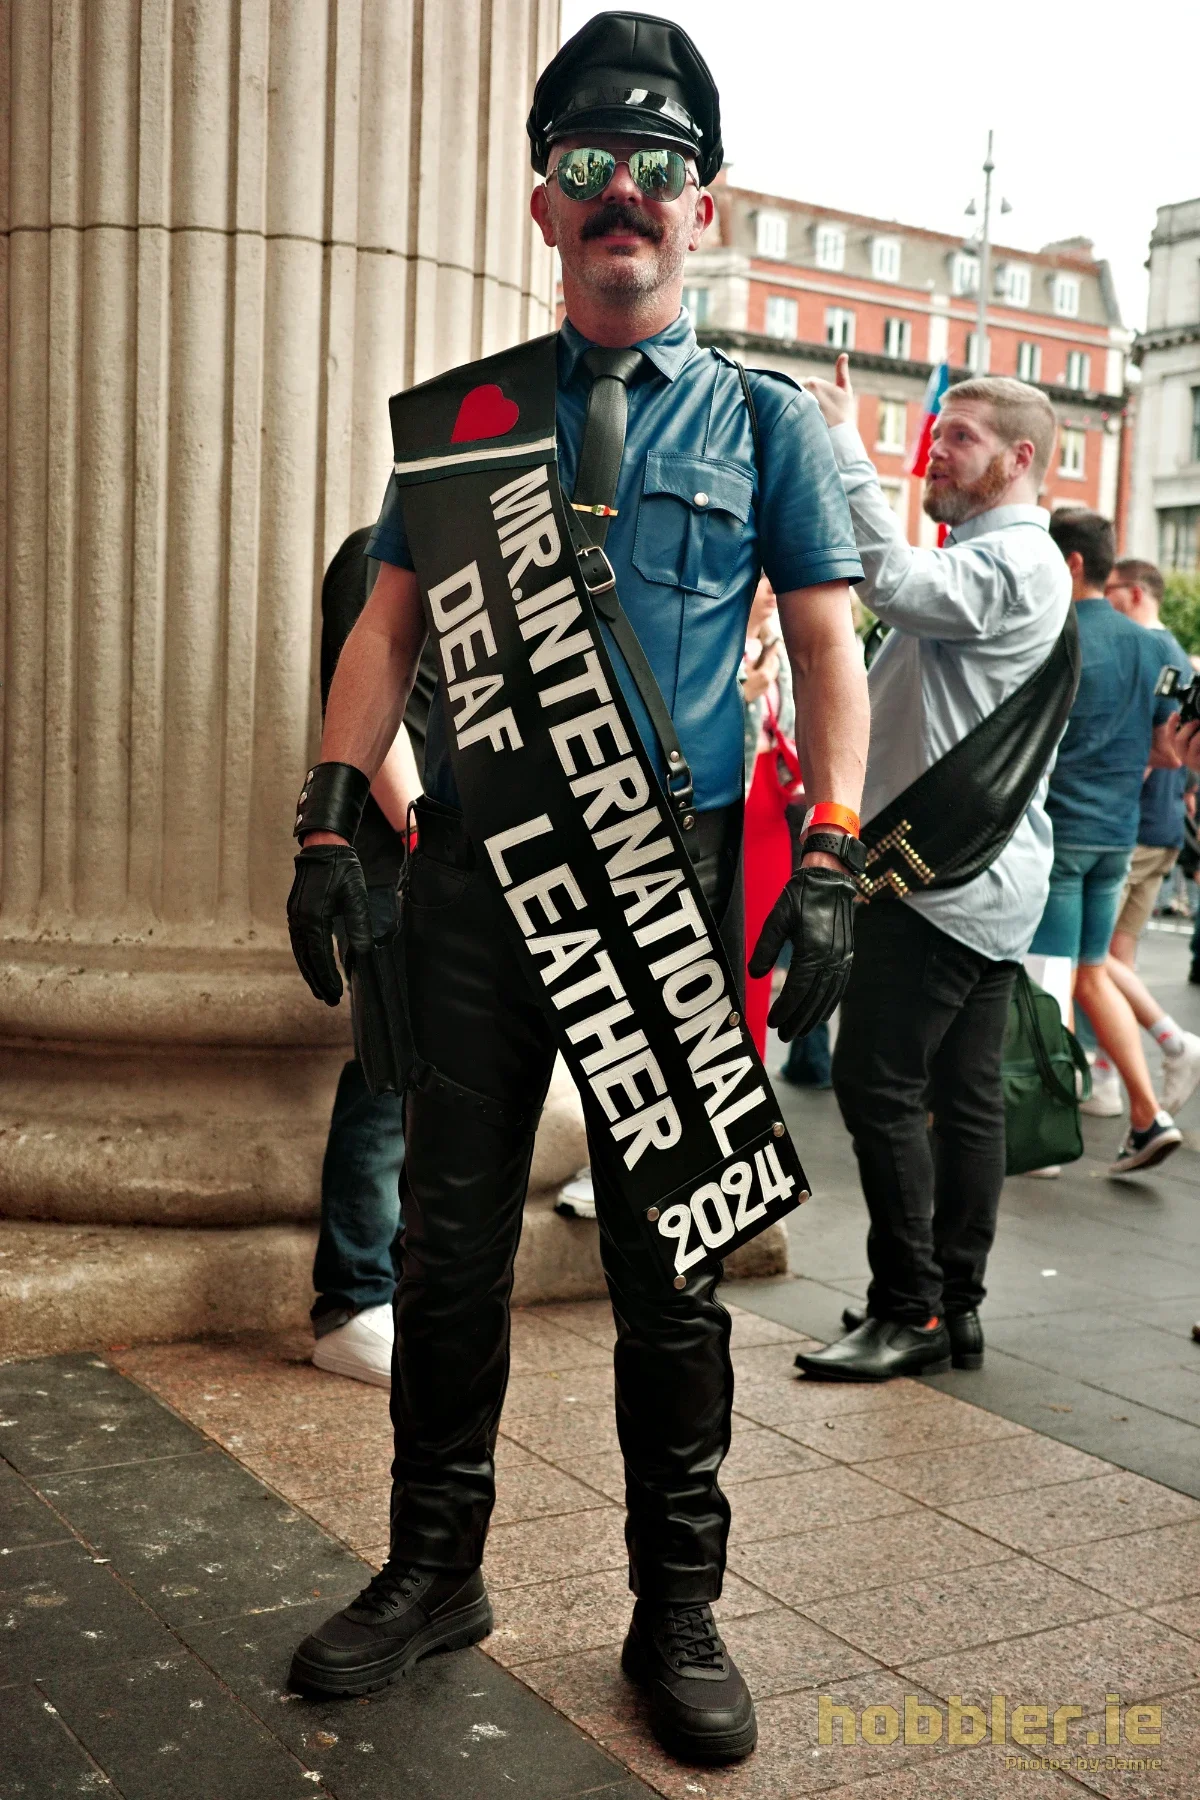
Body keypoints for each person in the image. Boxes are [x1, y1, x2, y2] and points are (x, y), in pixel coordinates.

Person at [282, 12, 868, 1766]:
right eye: (590, 167)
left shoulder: (767, 423)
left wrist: (835, 846)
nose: (626, 196)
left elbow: (826, 646)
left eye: (658, 168)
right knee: (450, 1243)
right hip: (476, 881)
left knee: (674, 1262)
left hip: (658, 884)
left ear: (704, 206)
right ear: (545, 203)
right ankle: (431, 1571)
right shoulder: (466, 423)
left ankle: (677, 1606)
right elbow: (388, 628)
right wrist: (330, 820)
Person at [795, 362, 1072, 1383]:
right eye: (936, 433)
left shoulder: (1016, 561)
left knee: (877, 1085)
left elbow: (895, 583)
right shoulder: (1004, 561)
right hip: (975, 883)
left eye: (960, 436)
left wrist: (842, 441)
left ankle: (908, 1306)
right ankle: (953, 1305)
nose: (935, 452)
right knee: (964, 1101)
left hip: (938, 886)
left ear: (1020, 458)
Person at [308, 532, 437, 1387]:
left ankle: (379, 1289)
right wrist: (426, 836)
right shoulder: (375, 559)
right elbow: (371, 704)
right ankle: (353, 1301)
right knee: (385, 1077)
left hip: (440, 865)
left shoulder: (459, 555)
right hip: (399, 864)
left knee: (415, 1082)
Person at [1027, 513, 1183, 1173]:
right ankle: (1148, 1116)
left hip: (1059, 830)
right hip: (1117, 833)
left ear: (1071, 564)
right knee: (1092, 973)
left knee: (1050, 979)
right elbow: (1174, 747)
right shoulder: (1149, 646)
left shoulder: (1055, 633)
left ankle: (1045, 1133)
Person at [1076, 558, 1200, 1121]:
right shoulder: (1170, 653)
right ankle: (1106, 1075)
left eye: (1111, 590)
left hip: (1135, 825)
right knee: (1112, 957)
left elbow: (1165, 750)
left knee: (1092, 959)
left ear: (1132, 593)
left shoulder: (1146, 650)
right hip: (1158, 826)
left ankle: (1161, 1047)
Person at [741, 577, 797, 1057]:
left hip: (770, 810)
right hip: (731, 803)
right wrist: (743, 694)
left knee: (759, 948)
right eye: (761, 578)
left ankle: (753, 1061)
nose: (771, 588)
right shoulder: (717, 646)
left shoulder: (777, 647)